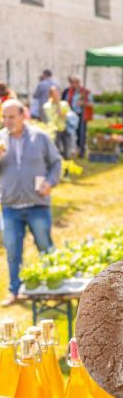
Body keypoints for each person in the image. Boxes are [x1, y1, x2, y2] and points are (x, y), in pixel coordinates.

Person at [0, 99, 62, 306]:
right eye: (4, 117)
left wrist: (50, 182)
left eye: (11, 117)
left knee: (45, 246)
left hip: (38, 204)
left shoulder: (40, 137)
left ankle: (55, 285)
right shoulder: (0, 139)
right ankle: (15, 291)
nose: (7, 121)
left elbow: (56, 163)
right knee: (12, 251)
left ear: (23, 115)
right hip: (10, 206)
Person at [61, 75, 94, 157]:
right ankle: (70, 150)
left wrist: (83, 103)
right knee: (69, 133)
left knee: (81, 133)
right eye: (72, 82)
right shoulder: (67, 91)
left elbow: (91, 104)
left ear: (79, 83)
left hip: (81, 114)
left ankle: (81, 150)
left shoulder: (85, 92)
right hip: (70, 115)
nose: (73, 84)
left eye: (75, 82)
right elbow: (63, 101)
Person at [43, 86, 76, 159]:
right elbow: (51, 120)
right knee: (58, 151)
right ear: (51, 95)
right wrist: (58, 112)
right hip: (55, 131)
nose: (57, 96)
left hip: (66, 129)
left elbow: (70, 117)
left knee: (67, 151)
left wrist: (64, 115)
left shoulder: (64, 104)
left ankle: (68, 167)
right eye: (55, 94)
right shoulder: (47, 106)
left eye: (58, 94)